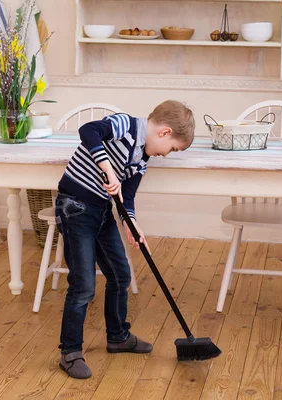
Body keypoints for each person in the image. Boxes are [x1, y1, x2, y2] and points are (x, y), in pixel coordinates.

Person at [55, 100, 195, 379]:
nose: (167, 154)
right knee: (83, 285)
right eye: (173, 149)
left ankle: (117, 337)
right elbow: (88, 130)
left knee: (121, 275)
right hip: (75, 207)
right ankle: (70, 352)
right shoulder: (126, 125)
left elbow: (125, 197)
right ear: (165, 133)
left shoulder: (142, 159)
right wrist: (108, 170)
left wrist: (131, 224)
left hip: (101, 212)